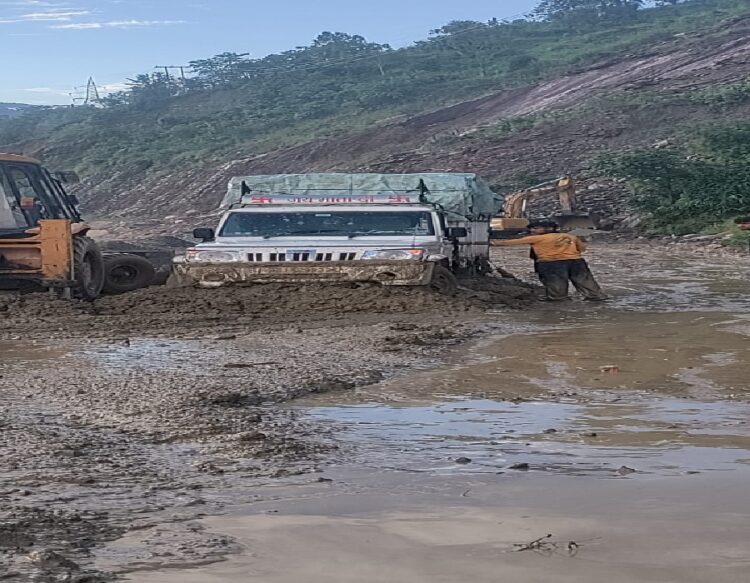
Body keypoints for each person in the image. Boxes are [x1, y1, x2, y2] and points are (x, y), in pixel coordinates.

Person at [493, 220, 606, 301]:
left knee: (556, 286)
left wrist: (491, 242)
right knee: (585, 281)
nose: (532, 230)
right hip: (576, 261)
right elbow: (582, 249)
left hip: (551, 263)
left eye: (536, 228)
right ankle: (596, 297)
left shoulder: (536, 238)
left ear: (549, 229)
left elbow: (507, 243)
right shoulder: (570, 237)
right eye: (532, 228)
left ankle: (559, 300)